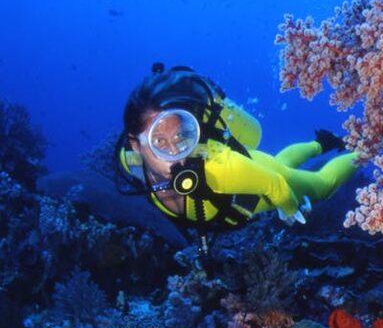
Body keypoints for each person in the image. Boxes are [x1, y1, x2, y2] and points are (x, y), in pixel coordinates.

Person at [117, 63, 358, 253]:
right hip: (254, 167)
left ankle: (367, 150)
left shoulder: (219, 170)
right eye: (159, 142)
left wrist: (289, 209)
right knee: (280, 162)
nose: (175, 155)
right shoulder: (130, 162)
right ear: (135, 144)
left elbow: (275, 184)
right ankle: (321, 143)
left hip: (260, 183)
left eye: (182, 136)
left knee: (323, 185)